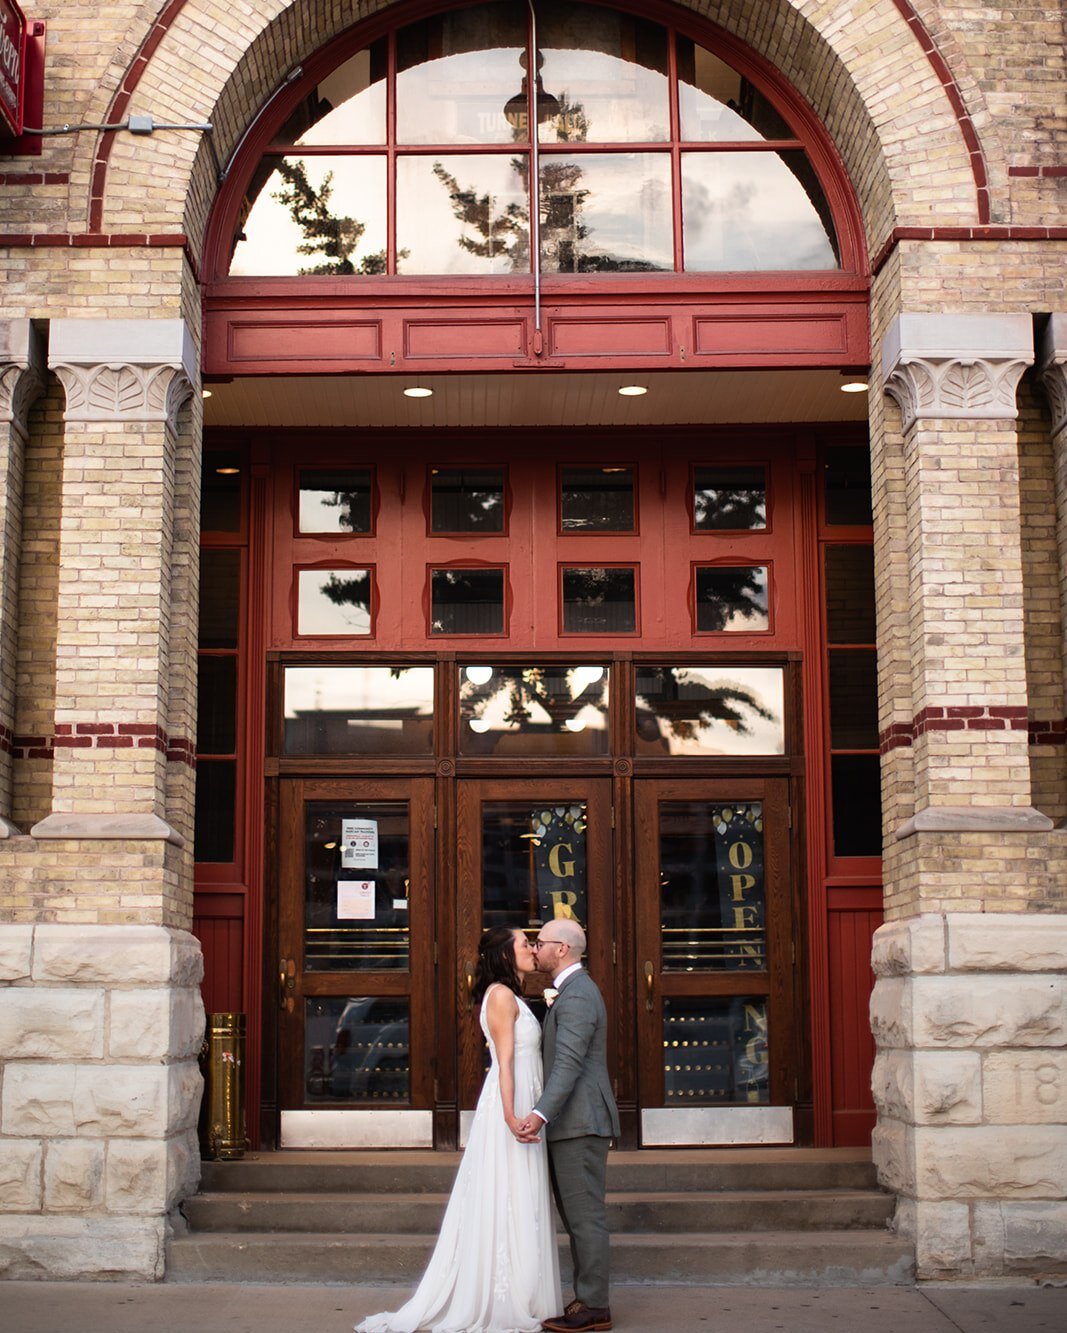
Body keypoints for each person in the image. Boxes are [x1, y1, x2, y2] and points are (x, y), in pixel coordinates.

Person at [356, 926, 562, 1333]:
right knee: (510, 1193)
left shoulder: (513, 995)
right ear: (504, 955)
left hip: (523, 1099)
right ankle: (508, 1297)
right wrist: (510, 1115)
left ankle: (526, 1289)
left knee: (520, 1195)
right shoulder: (501, 997)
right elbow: (504, 1062)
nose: (532, 948)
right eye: (524, 944)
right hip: (514, 1102)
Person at [517, 919, 620, 1333]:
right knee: (578, 1216)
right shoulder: (573, 990)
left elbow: (569, 1064)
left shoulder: (578, 995)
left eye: (540, 942)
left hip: (580, 1122)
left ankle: (594, 1306)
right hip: (573, 1122)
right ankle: (587, 1301)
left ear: (561, 949)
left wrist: (539, 1114)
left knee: (584, 1217)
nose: (535, 948)